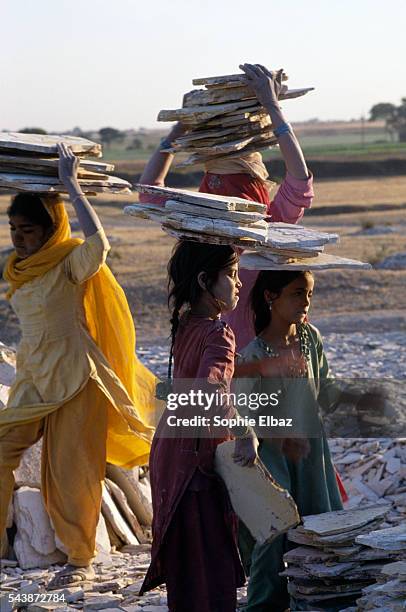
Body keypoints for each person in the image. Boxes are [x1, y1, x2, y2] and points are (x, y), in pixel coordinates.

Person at [0, 144, 157, 588]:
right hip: (33, 378)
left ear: (50, 230)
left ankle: (79, 561)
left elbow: (100, 245)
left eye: (28, 230)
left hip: (76, 378)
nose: (18, 238)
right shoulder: (17, 269)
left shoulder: (69, 261)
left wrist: (71, 186)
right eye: (13, 228)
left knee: (73, 472)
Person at [139, 63, 314, 350]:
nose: (225, 194)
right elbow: (299, 179)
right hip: (228, 355)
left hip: (262, 361)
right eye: (216, 186)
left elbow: (149, 191)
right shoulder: (249, 224)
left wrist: (181, 127)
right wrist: (271, 107)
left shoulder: (259, 226)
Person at [233, 269, 375, 612]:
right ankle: (264, 605)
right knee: (273, 530)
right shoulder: (254, 354)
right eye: (297, 293)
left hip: (312, 452)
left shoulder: (311, 339)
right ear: (271, 297)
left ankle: (317, 596)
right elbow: (241, 409)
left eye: (309, 294)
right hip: (272, 453)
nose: (306, 301)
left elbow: (325, 388)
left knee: (320, 523)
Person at [140, 240, 258, 612]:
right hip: (196, 460)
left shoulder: (188, 323)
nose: (239, 284)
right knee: (212, 566)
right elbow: (211, 391)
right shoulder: (219, 334)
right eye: (233, 275)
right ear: (206, 280)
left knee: (187, 567)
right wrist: (245, 432)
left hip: (169, 451)